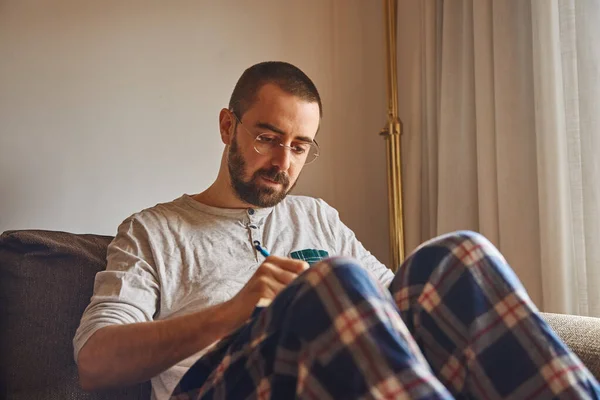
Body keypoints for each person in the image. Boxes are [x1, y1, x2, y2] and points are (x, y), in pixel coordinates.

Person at [74, 61, 600, 400]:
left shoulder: (317, 216)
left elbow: (401, 306)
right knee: (332, 281)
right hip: (219, 388)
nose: (282, 161)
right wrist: (233, 312)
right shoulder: (153, 231)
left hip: (332, 379)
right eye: (267, 137)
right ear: (228, 127)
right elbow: (95, 362)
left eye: (300, 146)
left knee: (457, 255)